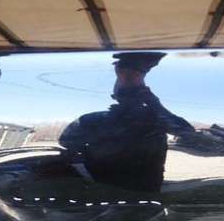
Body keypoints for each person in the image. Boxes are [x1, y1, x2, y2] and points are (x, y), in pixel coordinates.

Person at [60, 52, 194, 193]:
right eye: (125, 79)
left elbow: (187, 132)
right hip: (106, 188)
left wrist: (156, 105)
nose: (132, 95)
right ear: (115, 95)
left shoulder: (156, 121)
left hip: (145, 189)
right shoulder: (92, 120)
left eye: (136, 88)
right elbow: (67, 142)